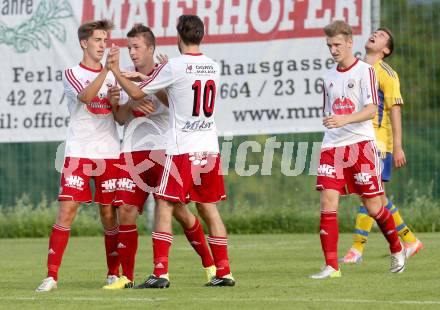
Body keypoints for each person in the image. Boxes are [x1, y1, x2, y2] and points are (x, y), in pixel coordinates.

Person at [106, 14, 234, 288]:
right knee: (208, 209)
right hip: (208, 147)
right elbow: (173, 92)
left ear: (178, 37)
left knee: (165, 205)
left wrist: (117, 72)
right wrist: (143, 77)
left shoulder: (174, 66)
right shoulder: (212, 66)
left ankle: (160, 272)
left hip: (182, 149)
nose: (132, 51)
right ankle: (224, 271)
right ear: (200, 36)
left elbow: (142, 94)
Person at [311, 20, 405, 279]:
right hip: (332, 145)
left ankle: (397, 248)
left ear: (350, 43)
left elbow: (371, 110)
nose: (333, 50)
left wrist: (344, 119)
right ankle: (331, 266)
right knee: (328, 201)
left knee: (374, 206)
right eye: (329, 45)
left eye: (337, 44)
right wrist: (333, 121)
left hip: (361, 146)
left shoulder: (366, 71)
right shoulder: (328, 77)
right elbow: (329, 112)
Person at [36, 20, 123, 292]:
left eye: (105, 40)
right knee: (67, 210)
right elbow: (85, 97)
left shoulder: (113, 75)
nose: (102, 45)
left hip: (109, 153)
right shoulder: (71, 72)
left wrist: (116, 99)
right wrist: (107, 71)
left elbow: (118, 117)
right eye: (98, 40)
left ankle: (113, 273)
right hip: (79, 152)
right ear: (84, 43)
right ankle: (51, 276)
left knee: (109, 214)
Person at [340, 28, 423, 264]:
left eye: (382, 35)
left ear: (386, 50)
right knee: (378, 198)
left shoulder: (386, 73)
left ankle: (356, 249)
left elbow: (395, 109)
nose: (375, 34)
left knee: (369, 196)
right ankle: (410, 240)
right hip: (358, 140)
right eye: (375, 32)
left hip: (377, 143)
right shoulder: (357, 68)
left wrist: (397, 146)